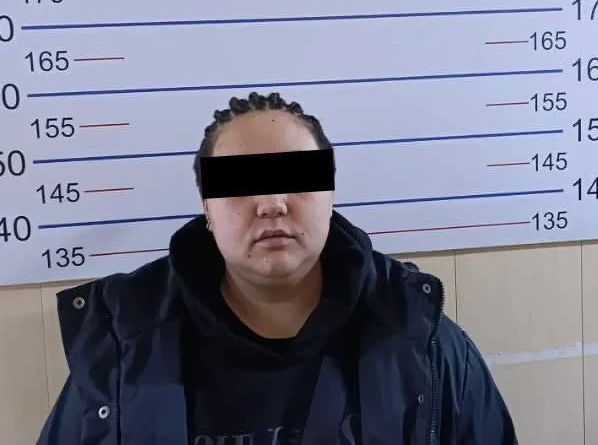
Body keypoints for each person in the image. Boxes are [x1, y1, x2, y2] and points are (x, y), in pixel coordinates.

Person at [37, 91, 518, 444]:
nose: (271, 203)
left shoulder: (420, 339)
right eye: (241, 184)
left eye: (296, 177)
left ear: (330, 192)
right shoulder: (124, 345)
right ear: (207, 207)